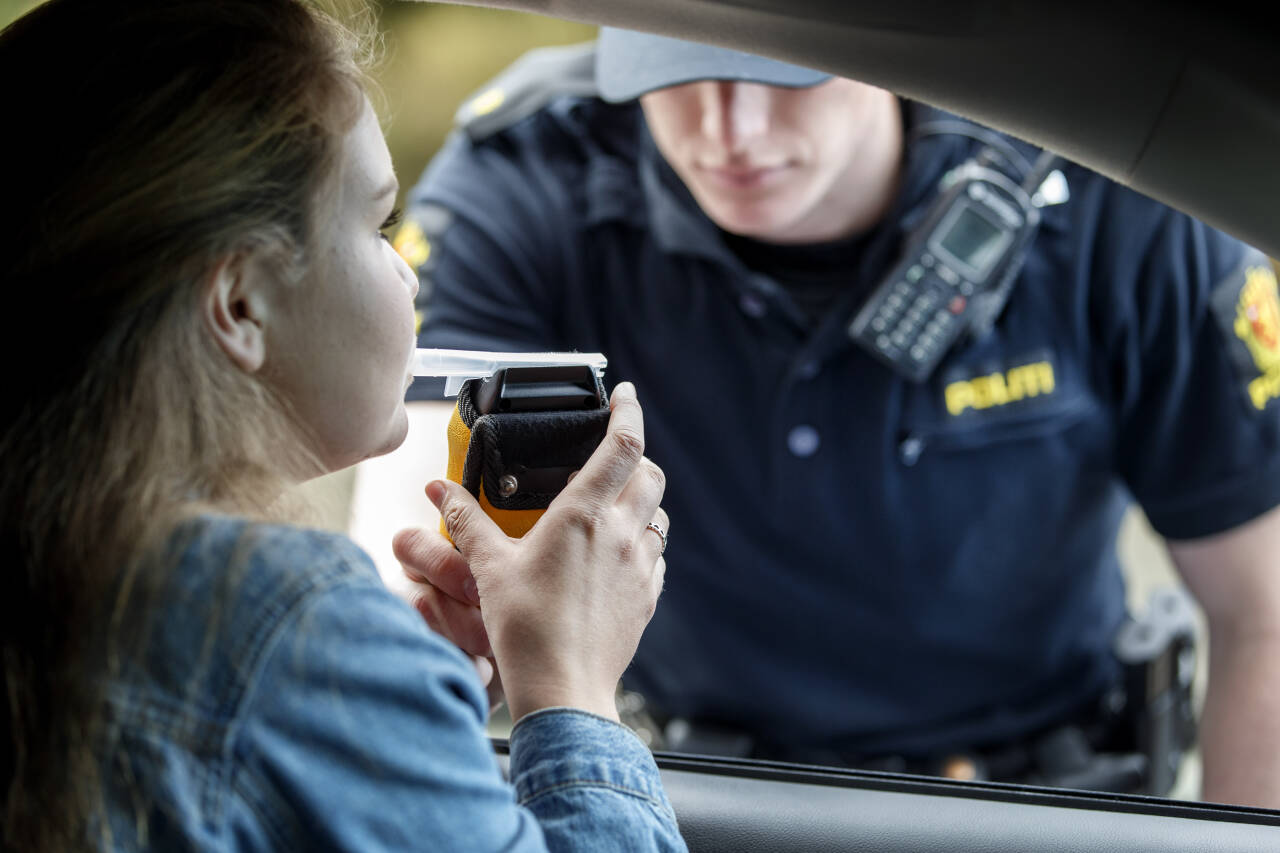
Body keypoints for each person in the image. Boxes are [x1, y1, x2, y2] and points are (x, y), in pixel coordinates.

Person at [365, 27, 1280, 808]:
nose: (731, 131)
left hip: (1041, 803)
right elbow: (409, 575)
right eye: (675, 75)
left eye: (786, 68)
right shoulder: (525, 179)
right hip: (691, 794)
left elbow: (1263, 610)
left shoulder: (1115, 192)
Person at [0, 3, 684, 851]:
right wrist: (573, 685)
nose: (406, 273)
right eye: (375, 224)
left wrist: (396, 694)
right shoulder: (281, 621)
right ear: (240, 303)